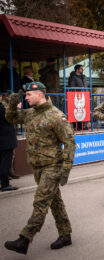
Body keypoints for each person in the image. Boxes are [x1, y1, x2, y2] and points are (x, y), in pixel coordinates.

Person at [4, 82, 75, 255]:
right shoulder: (29, 114)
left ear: (40, 95)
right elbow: (10, 118)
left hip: (53, 166)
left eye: (28, 95)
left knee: (41, 201)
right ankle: (65, 234)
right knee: (54, 202)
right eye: (25, 95)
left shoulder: (56, 116)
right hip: (37, 166)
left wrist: (65, 169)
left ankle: (25, 239)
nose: (26, 98)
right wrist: (12, 103)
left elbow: (70, 142)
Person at [0, 94, 18, 191]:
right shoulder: (2, 109)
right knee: (5, 163)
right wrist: (16, 108)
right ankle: (5, 184)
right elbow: (11, 118)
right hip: (5, 141)